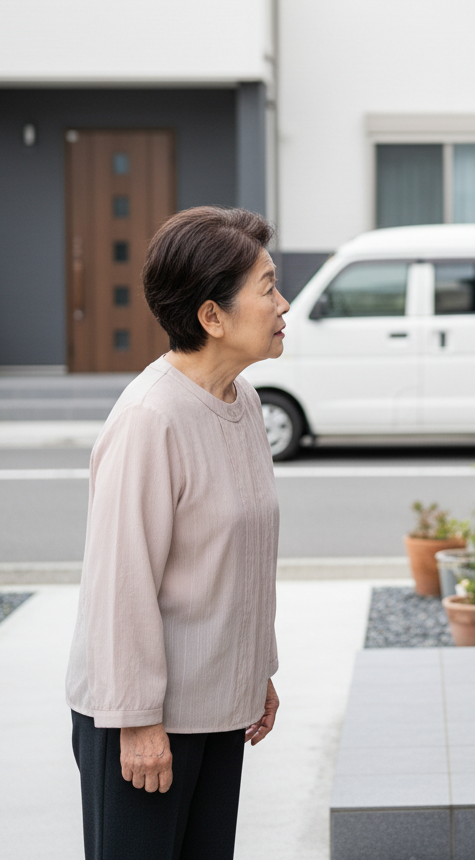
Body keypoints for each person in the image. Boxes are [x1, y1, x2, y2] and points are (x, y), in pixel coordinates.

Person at [66, 206, 289, 860]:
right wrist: (136, 723)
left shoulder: (241, 400)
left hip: (219, 708)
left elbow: (240, 555)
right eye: (267, 286)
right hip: (143, 720)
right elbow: (120, 587)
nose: (284, 303)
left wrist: (256, 671)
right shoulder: (149, 419)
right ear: (212, 316)